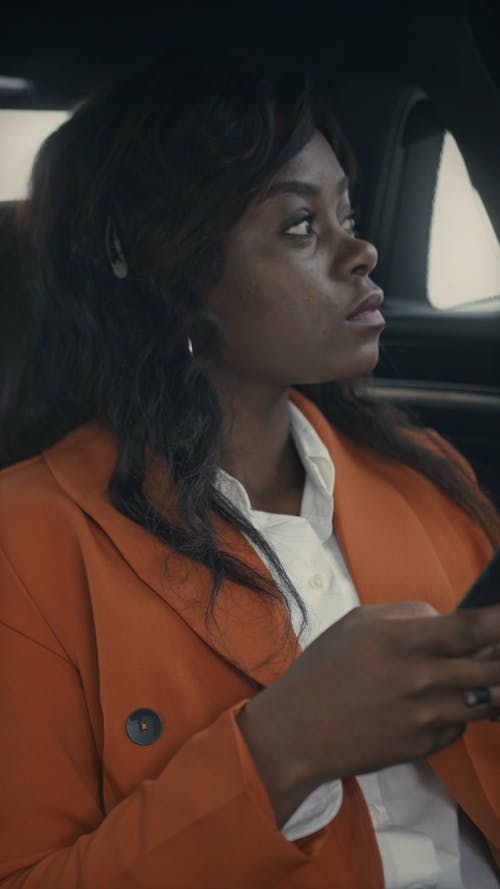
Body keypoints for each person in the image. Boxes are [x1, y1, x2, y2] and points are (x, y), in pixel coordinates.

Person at [0, 54, 499, 889]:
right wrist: (285, 749)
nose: (363, 251)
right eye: (301, 226)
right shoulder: (27, 542)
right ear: (171, 273)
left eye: (349, 211)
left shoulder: (426, 478)